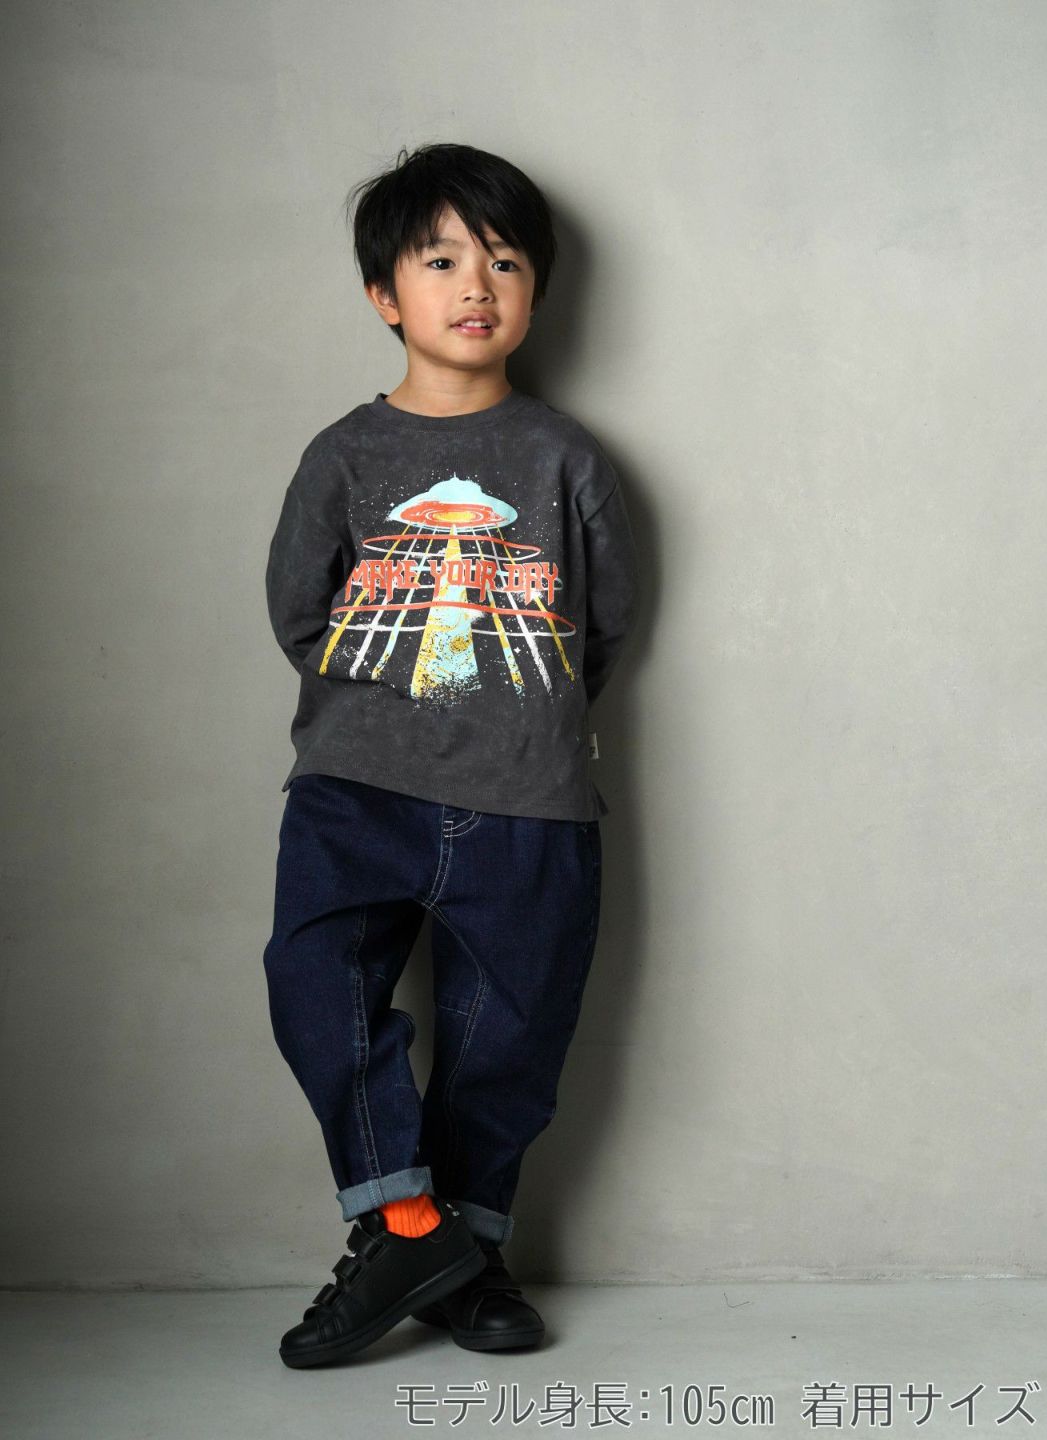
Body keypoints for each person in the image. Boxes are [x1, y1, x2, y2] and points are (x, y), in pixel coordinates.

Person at [261, 142, 640, 1369]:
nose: (477, 284)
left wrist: (520, 716)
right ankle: (409, 1224)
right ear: (386, 294)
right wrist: (387, 703)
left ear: (536, 292)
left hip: (531, 795)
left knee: (510, 1031)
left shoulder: (568, 458)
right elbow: (299, 610)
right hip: (355, 787)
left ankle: (463, 1259)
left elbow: (606, 620)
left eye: (506, 261)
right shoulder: (343, 455)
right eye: (441, 261)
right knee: (317, 983)